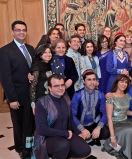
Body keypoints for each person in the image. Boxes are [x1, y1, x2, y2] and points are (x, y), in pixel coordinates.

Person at [0, 20, 35, 158]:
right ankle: (21, 149)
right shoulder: (5, 51)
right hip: (17, 95)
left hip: (31, 94)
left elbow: (33, 68)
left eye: (24, 30)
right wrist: (12, 98)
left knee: (30, 122)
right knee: (19, 123)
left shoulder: (31, 49)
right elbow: (5, 78)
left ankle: (30, 145)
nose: (21, 32)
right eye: (18, 30)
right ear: (13, 32)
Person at [34, 74, 91, 159]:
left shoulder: (66, 99)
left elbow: (71, 119)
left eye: (62, 85)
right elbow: (42, 129)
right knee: (63, 145)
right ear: (49, 88)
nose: (60, 88)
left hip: (65, 135)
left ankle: (61, 155)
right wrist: (65, 133)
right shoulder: (41, 103)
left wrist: (79, 133)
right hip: (47, 137)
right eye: (56, 86)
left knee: (85, 150)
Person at [103, 74, 132, 159]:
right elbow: (109, 118)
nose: (124, 84)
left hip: (126, 120)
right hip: (114, 123)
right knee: (130, 131)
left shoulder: (127, 96)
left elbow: (125, 111)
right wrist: (112, 137)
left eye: (126, 82)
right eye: (122, 81)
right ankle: (122, 149)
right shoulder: (110, 97)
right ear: (117, 82)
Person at [71, 70, 110, 146]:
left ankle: (94, 135)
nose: (92, 82)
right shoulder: (77, 95)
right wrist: (82, 129)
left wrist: (98, 128)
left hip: (94, 123)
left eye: (94, 79)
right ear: (83, 81)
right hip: (81, 124)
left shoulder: (100, 94)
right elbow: (72, 115)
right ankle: (87, 135)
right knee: (76, 141)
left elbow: (104, 113)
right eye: (89, 79)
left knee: (106, 133)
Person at [30, 45, 52, 114]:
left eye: (49, 52)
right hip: (40, 97)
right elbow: (33, 85)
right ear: (40, 55)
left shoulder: (50, 65)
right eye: (45, 52)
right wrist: (33, 102)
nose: (48, 54)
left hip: (50, 97)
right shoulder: (37, 66)